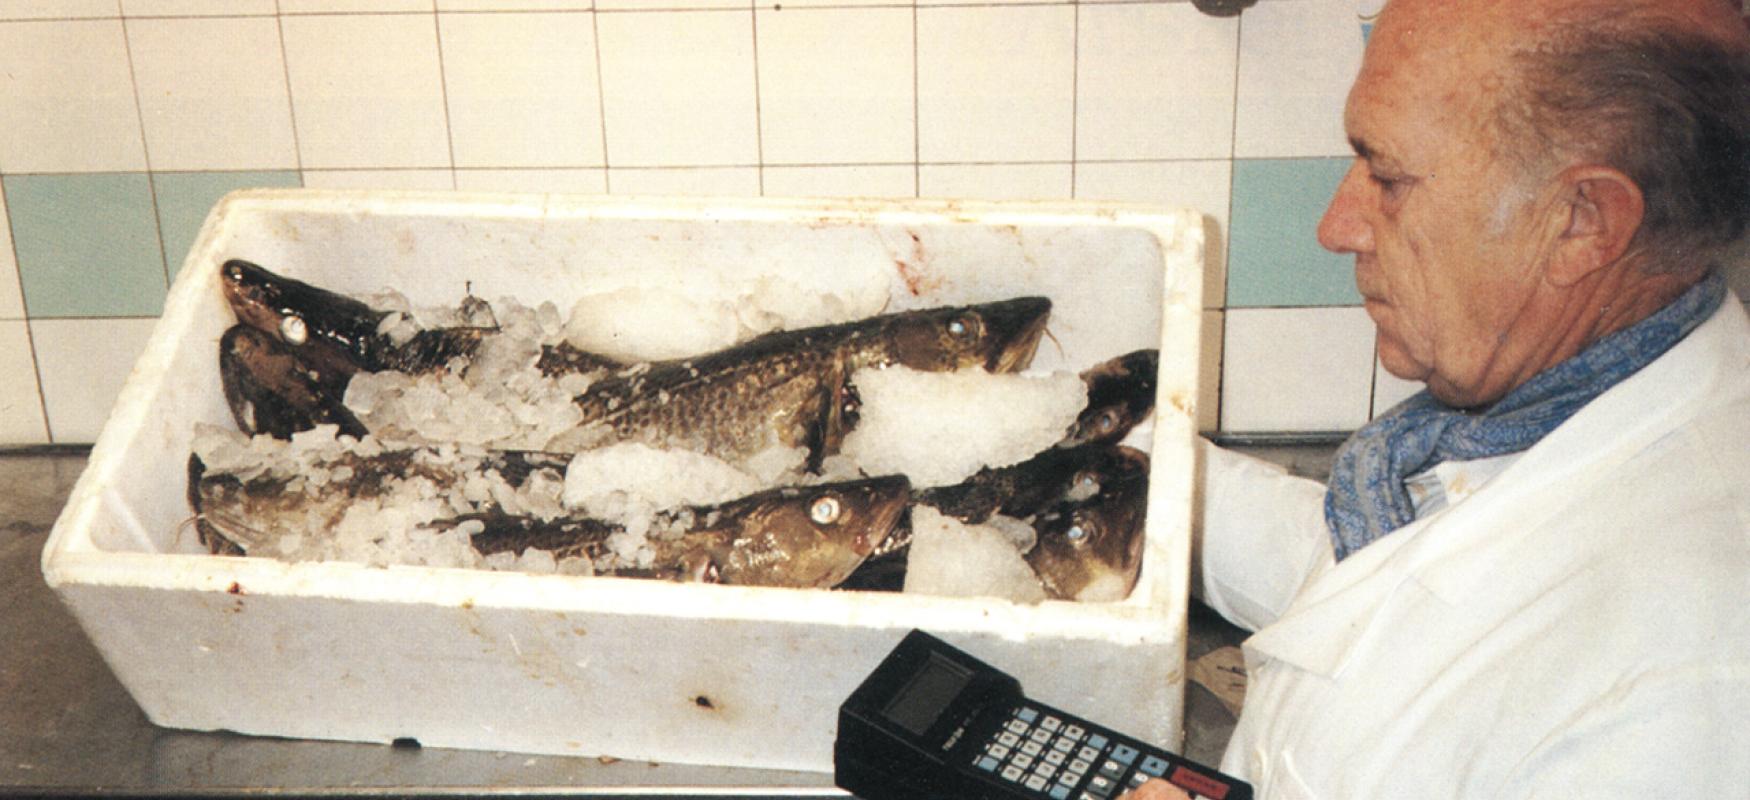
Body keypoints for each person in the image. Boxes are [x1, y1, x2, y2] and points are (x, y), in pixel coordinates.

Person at [1125, 0, 1750, 797]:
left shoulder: (1688, 702)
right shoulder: (1557, 418)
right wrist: (1095, 449)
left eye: (1387, 177)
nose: (1336, 225)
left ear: (1582, 222)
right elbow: (1375, 596)